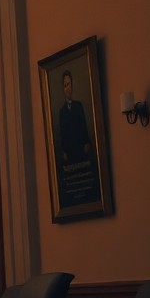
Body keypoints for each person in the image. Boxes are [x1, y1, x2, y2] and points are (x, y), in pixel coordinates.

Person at [55, 69, 99, 206]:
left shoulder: (79, 106)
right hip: (70, 154)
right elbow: (63, 135)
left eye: (69, 84)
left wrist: (87, 143)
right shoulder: (61, 112)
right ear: (62, 88)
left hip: (81, 151)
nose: (68, 88)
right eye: (65, 85)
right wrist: (63, 151)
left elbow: (84, 128)